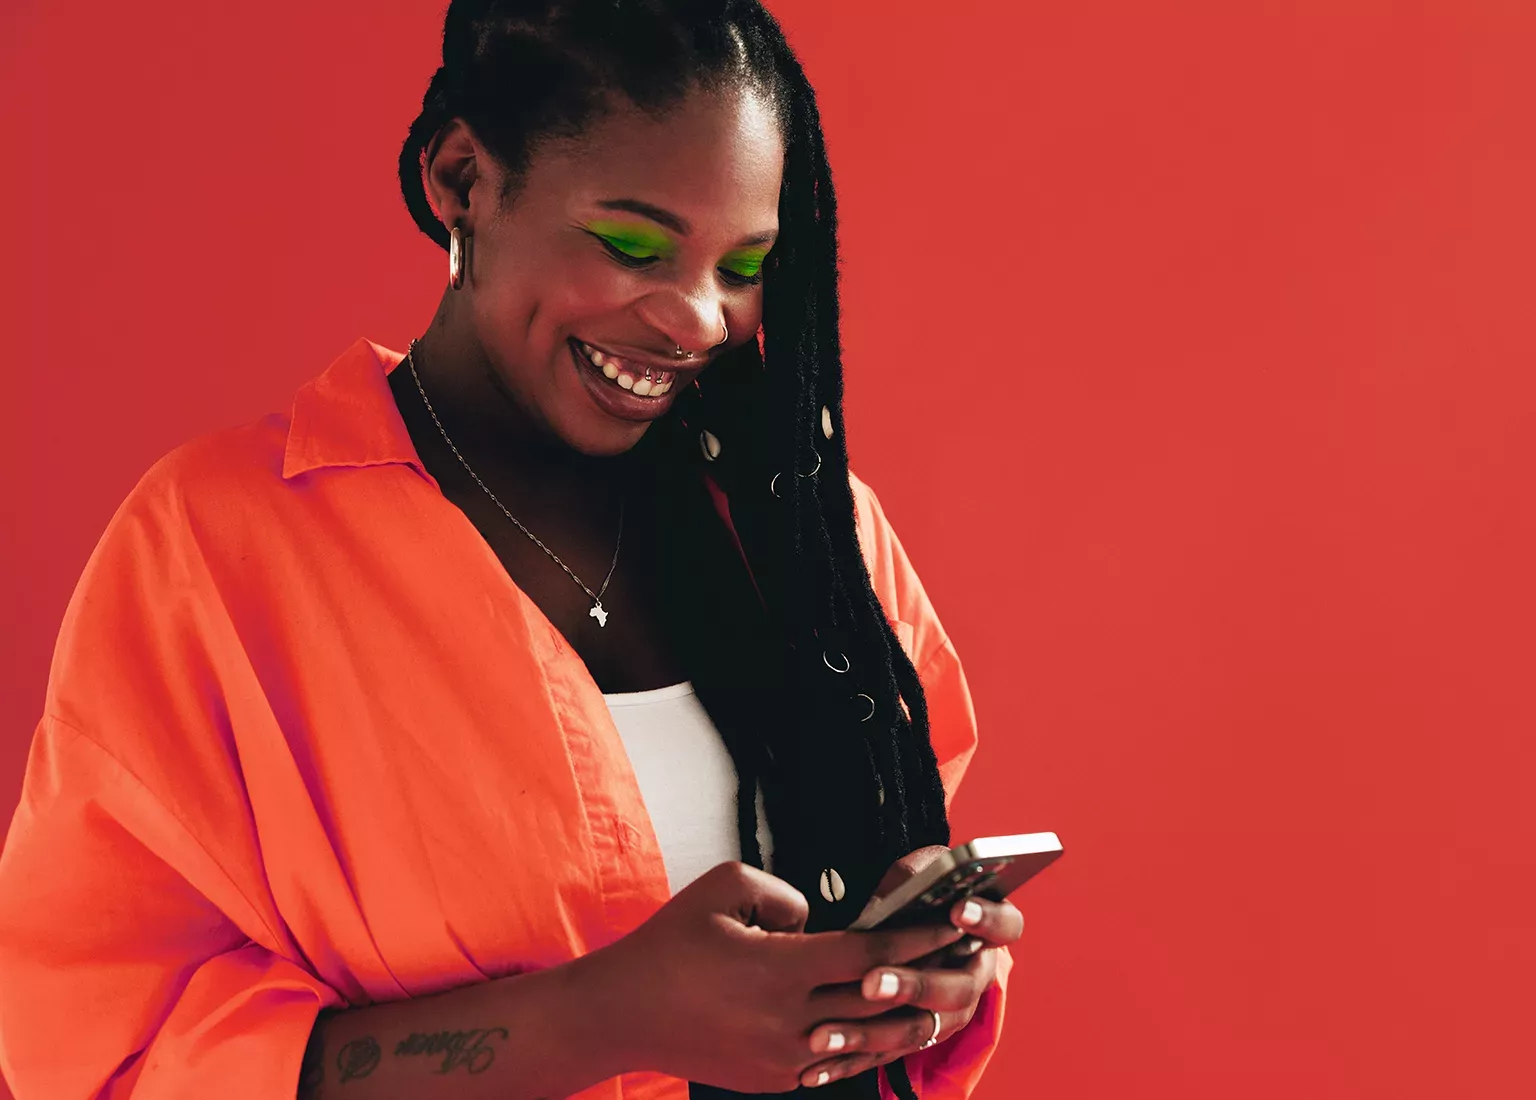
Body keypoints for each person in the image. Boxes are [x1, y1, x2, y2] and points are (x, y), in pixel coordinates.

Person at [0, 2, 1024, 1098]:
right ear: (461, 181)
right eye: (633, 243)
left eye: (741, 265)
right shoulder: (213, 550)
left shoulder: (812, 532)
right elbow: (99, 1058)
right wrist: (609, 1015)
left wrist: (917, 977)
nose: (695, 319)